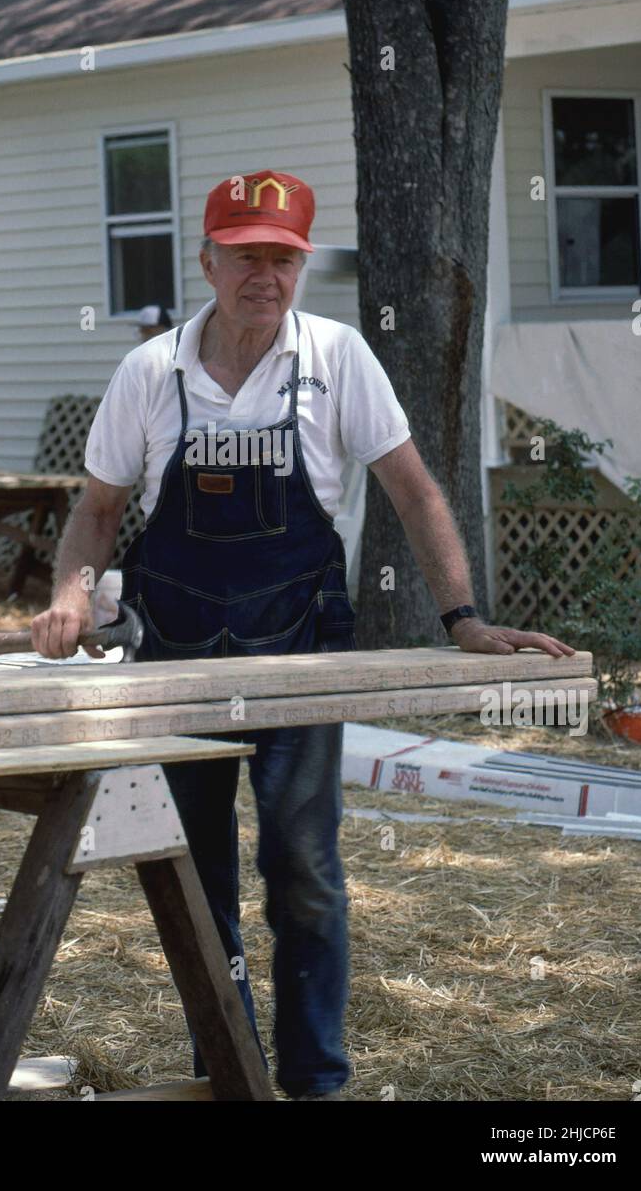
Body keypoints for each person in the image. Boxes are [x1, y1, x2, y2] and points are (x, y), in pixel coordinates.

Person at [31, 168, 574, 1100]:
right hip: (181, 665)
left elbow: (415, 490)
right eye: (246, 256)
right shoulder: (150, 373)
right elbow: (99, 509)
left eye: (282, 258)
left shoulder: (338, 358)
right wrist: (74, 598)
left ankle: (316, 1081)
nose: (265, 276)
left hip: (298, 656)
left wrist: (463, 618)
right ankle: (229, 1076)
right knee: (195, 886)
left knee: (304, 871)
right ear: (207, 260)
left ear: (301, 266)